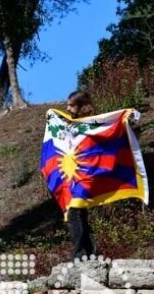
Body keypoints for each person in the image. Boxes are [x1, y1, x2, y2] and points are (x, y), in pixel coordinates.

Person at [63, 89, 98, 261]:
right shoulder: (72, 124)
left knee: (74, 213)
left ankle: (80, 254)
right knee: (79, 214)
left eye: (71, 105)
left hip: (84, 175)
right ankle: (89, 253)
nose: (67, 109)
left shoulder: (90, 124)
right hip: (75, 176)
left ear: (81, 106)